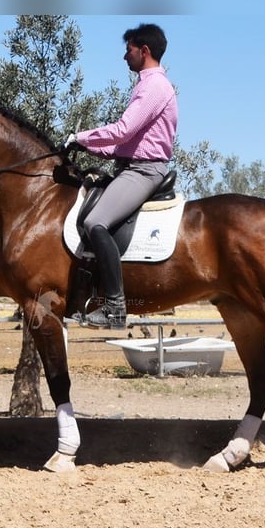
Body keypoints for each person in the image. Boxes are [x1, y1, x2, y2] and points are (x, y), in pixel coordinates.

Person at [63, 22, 178, 330]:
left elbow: (123, 130)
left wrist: (80, 137)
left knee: (94, 222)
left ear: (145, 51)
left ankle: (115, 307)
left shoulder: (154, 86)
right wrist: (89, 149)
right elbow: (122, 143)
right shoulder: (146, 85)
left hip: (144, 170)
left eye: (128, 50)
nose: (124, 57)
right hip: (130, 166)